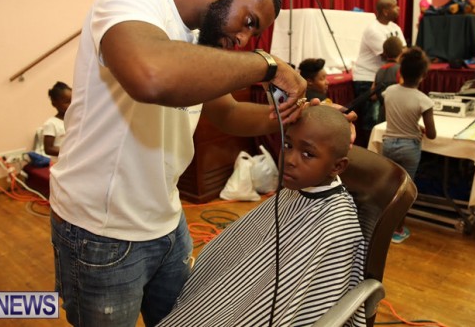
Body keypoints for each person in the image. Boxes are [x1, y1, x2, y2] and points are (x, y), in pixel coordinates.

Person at [48, 0, 313, 327]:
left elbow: (228, 113)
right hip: (100, 231)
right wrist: (266, 65)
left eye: (253, 35)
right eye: (249, 21)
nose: (243, 39)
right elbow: (152, 76)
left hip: (168, 223)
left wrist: (295, 116)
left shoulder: (199, 43)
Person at [156, 105, 366, 327]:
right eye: (287, 145)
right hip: (233, 295)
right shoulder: (295, 192)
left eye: (308, 154)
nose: (290, 159)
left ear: (338, 166)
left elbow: (303, 301)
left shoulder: (337, 226)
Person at [382, 47, 436, 243]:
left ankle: (383, 226)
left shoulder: (389, 92)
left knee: (389, 187)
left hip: (388, 143)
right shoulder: (424, 100)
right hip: (409, 148)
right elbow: (432, 134)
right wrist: (419, 127)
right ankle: (398, 229)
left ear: (401, 71)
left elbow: (393, 116)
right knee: (405, 191)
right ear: (422, 75)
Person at [352, 0, 406, 146]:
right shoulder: (373, 30)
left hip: (385, 76)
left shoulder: (395, 27)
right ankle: (370, 151)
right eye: (395, 6)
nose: (398, 8)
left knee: (384, 118)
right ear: (385, 11)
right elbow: (390, 54)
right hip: (368, 78)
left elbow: (403, 50)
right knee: (372, 120)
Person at [372, 36, 403, 123]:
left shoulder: (379, 71)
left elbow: (373, 96)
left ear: (384, 53)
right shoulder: (401, 70)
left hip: (382, 114)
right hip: (398, 115)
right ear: (401, 52)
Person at [41, 81, 72, 158]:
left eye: (73, 101)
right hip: (60, 163)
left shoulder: (75, 120)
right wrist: (70, 151)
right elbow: (48, 149)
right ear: (54, 103)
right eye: (67, 102)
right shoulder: (51, 123)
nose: (71, 104)